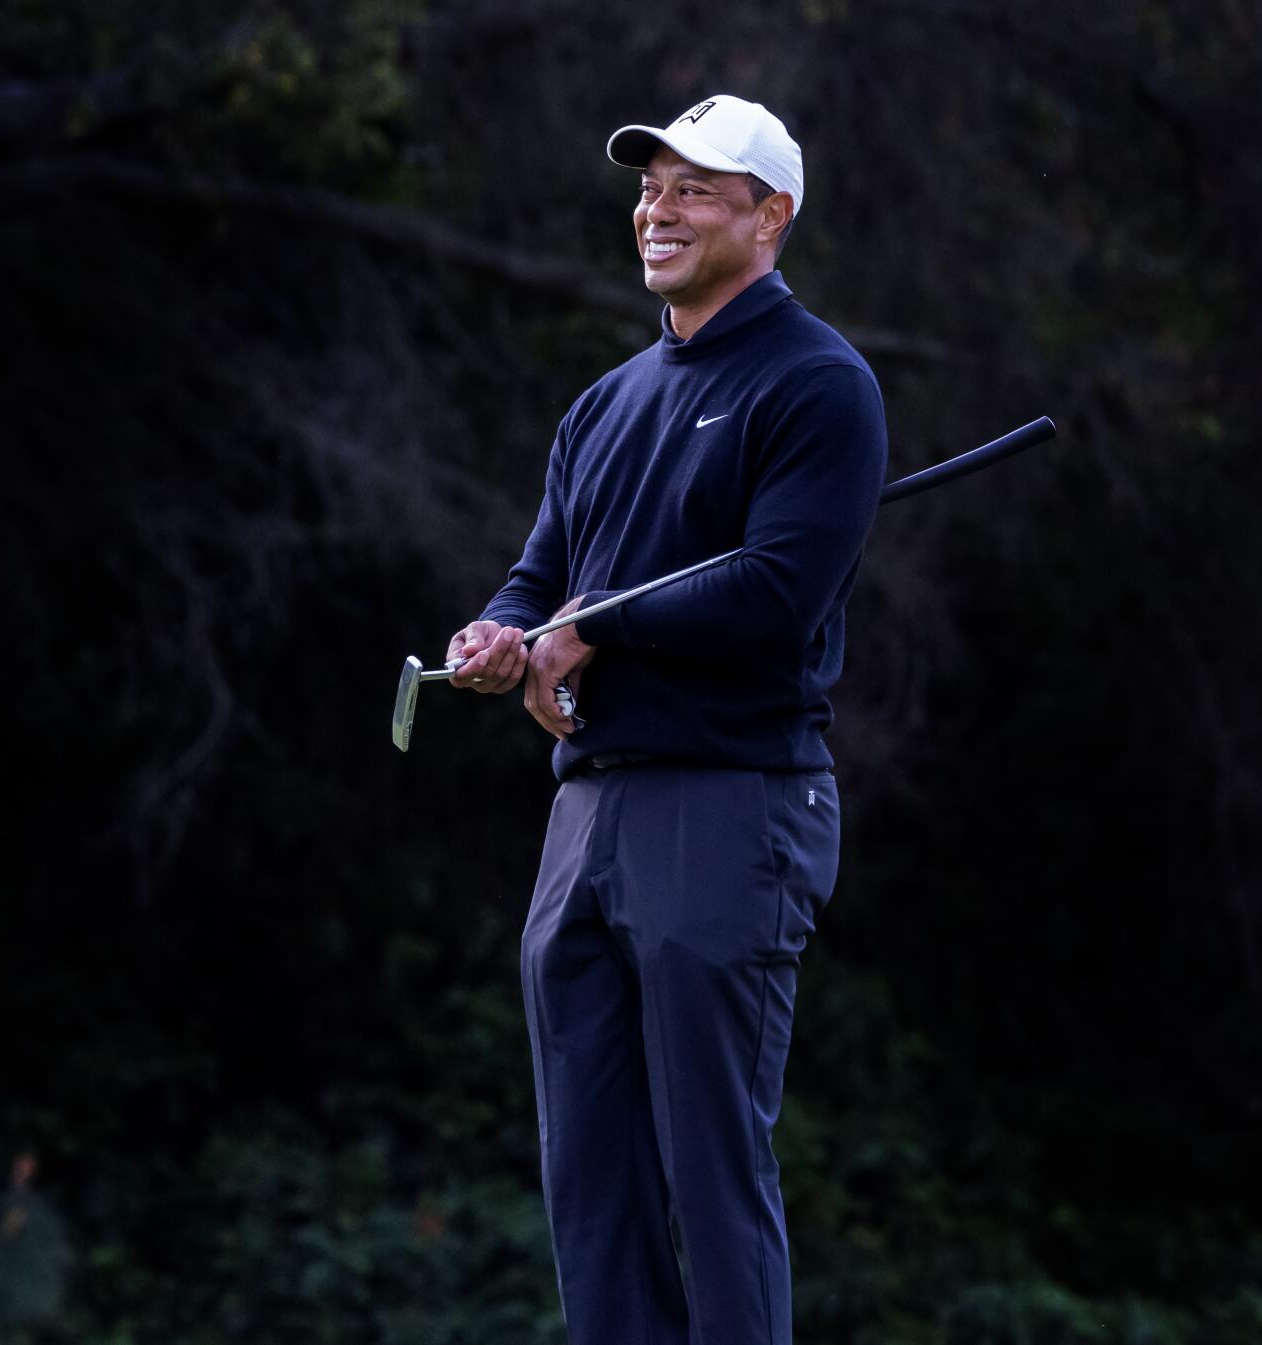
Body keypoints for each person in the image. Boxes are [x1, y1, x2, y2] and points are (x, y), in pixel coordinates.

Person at [444, 94, 888, 1344]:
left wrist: (597, 626)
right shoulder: (603, 403)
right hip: (586, 814)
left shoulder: (818, 384)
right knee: (592, 1179)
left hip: (729, 800)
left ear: (769, 216)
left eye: (696, 188)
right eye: (652, 187)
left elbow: (774, 590)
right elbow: (542, 577)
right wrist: (500, 632)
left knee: (710, 1167)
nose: (658, 209)